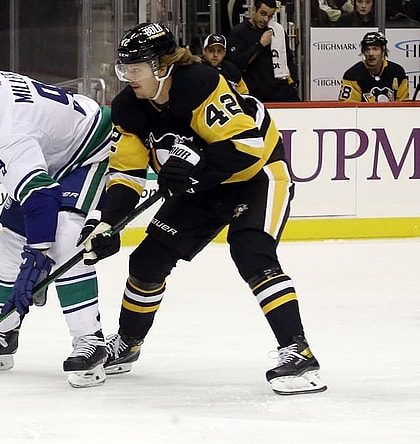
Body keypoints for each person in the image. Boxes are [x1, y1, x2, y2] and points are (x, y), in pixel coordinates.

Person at [79, 22, 327, 395]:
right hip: (202, 185)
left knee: (252, 253)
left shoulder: (199, 82)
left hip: (257, 175)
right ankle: (128, 343)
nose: (128, 77)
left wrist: (195, 165)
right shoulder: (130, 107)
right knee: (146, 262)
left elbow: (246, 146)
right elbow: (126, 175)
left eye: (136, 69)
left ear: (162, 66)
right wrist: (105, 223)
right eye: (124, 69)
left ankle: (298, 351)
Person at [0, 54, 113, 388]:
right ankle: (2, 333)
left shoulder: (6, 135)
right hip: (48, 150)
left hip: (88, 149)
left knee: (67, 239)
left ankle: (91, 341)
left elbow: (41, 199)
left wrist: (37, 257)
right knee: (8, 247)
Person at [227, 0, 300, 102]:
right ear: (254, 10)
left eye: (270, 16)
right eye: (263, 14)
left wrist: (294, 82)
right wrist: (260, 44)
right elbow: (236, 64)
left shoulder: (277, 30)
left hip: (282, 91)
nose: (265, 19)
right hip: (256, 94)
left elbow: (288, 58)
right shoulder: (239, 32)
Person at [339, 31, 409, 102]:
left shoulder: (397, 72)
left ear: (383, 51)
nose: (371, 54)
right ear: (363, 52)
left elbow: (403, 104)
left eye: (375, 49)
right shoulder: (352, 75)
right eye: (367, 49)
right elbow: (348, 108)